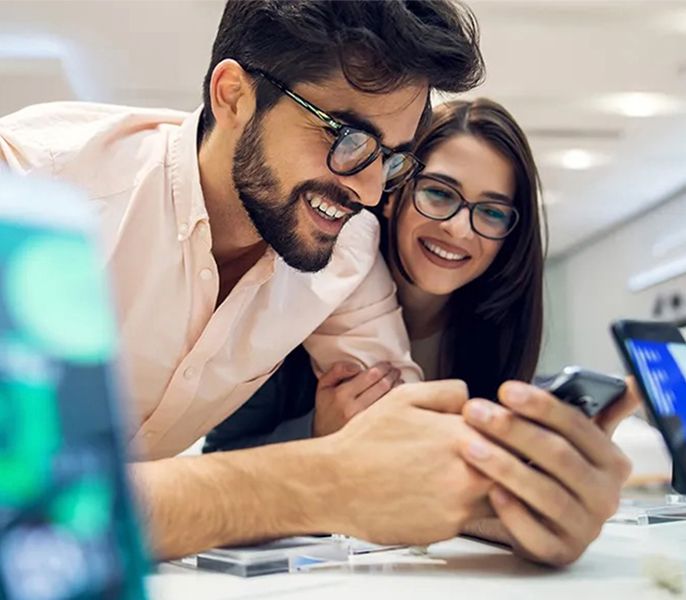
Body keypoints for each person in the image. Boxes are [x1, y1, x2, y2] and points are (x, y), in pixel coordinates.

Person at [0, 0, 507, 560]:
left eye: (389, 159)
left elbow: (408, 441)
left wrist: (543, 499)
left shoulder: (347, 248)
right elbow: (23, 506)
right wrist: (310, 481)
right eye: (347, 138)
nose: (367, 193)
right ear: (234, 96)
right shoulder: (30, 184)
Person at [205, 98, 639, 565]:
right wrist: (319, 436)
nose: (459, 228)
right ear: (392, 194)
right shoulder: (308, 291)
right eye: (439, 193)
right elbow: (217, 464)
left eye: (492, 213)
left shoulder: (492, 333)